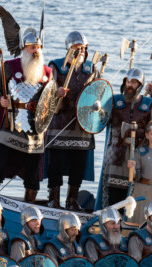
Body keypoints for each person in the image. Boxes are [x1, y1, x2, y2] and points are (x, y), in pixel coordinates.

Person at [0, 16, 52, 203]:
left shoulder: (47, 72)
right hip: (11, 126)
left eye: (38, 47)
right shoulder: (9, 66)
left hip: (35, 131)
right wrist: (0, 99)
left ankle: (28, 207)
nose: (36, 51)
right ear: (24, 48)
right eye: (32, 47)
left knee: (33, 176)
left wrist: (58, 95)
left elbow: (50, 102)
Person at [45, 31, 97, 210]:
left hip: (82, 125)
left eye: (83, 48)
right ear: (69, 48)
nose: (80, 51)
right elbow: (47, 92)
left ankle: (72, 200)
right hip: (60, 122)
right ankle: (54, 199)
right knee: (56, 164)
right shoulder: (56, 66)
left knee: (79, 165)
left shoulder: (91, 68)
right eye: (76, 47)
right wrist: (55, 93)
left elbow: (98, 92)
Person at [100, 67, 152, 207]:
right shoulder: (114, 100)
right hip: (115, 154)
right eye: (128, 81)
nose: (130, 85)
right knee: (113, 196)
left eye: (134, 82)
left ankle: (129, 225)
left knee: (135, 196)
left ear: (140, 85)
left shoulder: (149, 104)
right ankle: (111, 223)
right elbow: (101, 121)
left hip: (138, 155)